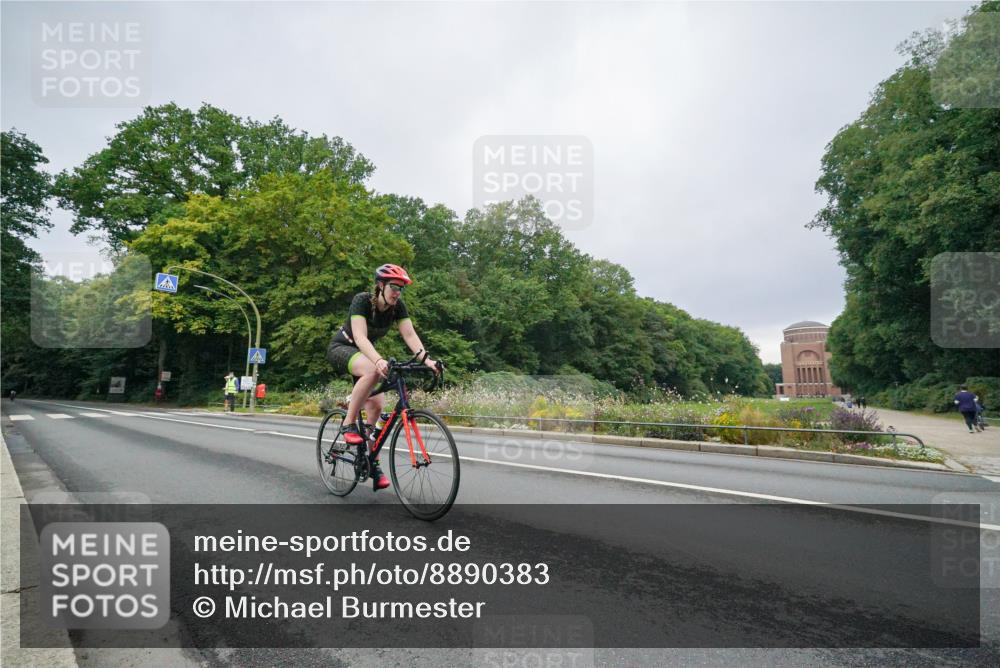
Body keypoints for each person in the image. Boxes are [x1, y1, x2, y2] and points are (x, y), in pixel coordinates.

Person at [326, 264, 438, 490]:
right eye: (394, 287)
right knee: (373, 370)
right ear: (380, 285)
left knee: (376, 406)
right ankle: (348, 424)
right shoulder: (362, 300)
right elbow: (359, 336)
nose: (397, 292)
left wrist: (427, 360)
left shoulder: (397, 307)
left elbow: (409, 334)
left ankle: (370, 462)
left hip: (364, 354)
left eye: (401, 288)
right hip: (342, 348)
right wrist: (378, 360)